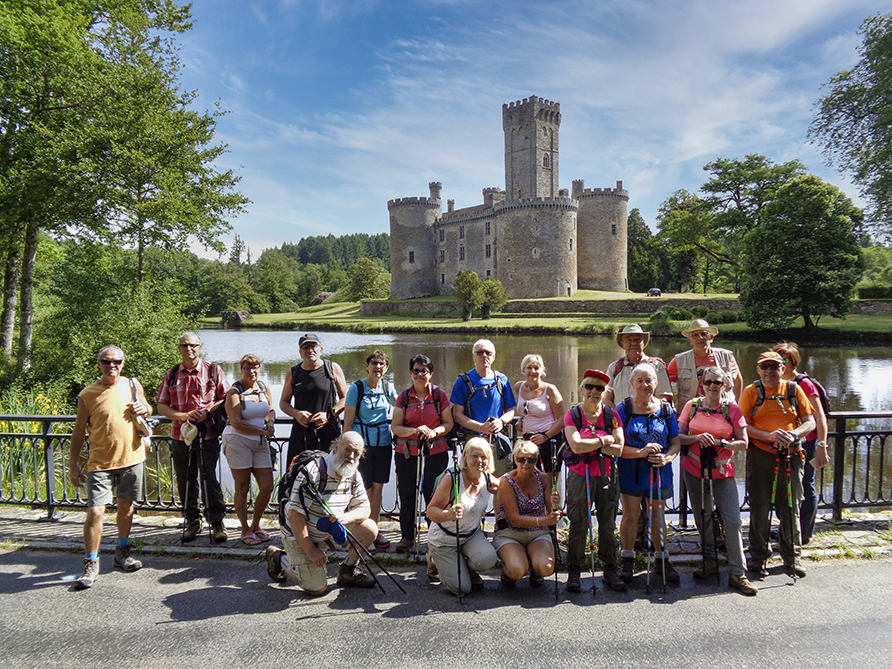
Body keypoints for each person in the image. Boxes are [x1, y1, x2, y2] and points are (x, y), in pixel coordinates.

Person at [67, 346, 151, 588]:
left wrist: (144, 408)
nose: (111, 365)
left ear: (123, 363)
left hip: (133, 458)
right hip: (100, 463)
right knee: (95, 512)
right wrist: (74, 465)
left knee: (126, 507)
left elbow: (148, 407)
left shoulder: (132, 384)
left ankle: (122, 552)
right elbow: (79, 431)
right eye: (106, 361)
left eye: (116, 361)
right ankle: (91, 563)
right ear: (99, 364)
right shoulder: (87, 395)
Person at [677, 366, 758, 596]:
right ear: (702, 383)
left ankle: (737, 572)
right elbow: (678, 436)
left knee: (732, 521)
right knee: (702, 518)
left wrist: (723, 443)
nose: (713, 386)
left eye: (718, 383)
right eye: (709, 382)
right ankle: (710, 562)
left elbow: (743, 443)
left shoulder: (732, 409)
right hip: (694, 469)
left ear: (725, 385)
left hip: (723, 472)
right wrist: (696, 438)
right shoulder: (691, 406)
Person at [266, 431, 377, 595]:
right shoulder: (313, 472)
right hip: (299, 534)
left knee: (370, 529)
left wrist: (345, 518)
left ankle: (347, 571)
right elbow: (295, 516)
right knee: (317, 589)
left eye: (357, 453)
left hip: (327, 530)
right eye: (348, 450)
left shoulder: (353, 474)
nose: (351, 456)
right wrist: (311, 551)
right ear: (337, 446)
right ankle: (280, 557)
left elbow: (365, 509)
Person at [740, 351, 815, 578]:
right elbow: (743, 426)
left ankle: (792, 557)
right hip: (761, 454)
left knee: (790, 506)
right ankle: (758, 555)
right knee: (760, 507)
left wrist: (793, 435)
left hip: (791, 455)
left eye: (775, 367)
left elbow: (809, 422)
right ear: (758, 369)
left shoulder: (794, 390)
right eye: (766, 367)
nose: (770, 371)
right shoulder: (751, 391)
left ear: (783, 369)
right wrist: (769, 435)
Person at [157, 331, 230, 543]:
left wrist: (207, 412)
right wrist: (182, 416)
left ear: (200, 347)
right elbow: (161, 404)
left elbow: (226, 398)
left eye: (193, 345)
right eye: (184, 345)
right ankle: (192, 520)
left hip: (207, 435)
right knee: (185, 479)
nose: (189, 349)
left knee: (209, 478)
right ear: (179, 348)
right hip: (180, 436)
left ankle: (216, 522)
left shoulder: (213, 371)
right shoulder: (171, 374)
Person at [615, 363, 682, 584]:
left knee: (657, 516)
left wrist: (667, 458)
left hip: (659, 471)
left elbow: (675, 443)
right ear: (632, 383)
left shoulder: (665, 409)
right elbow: (617, 447)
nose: (645, 385)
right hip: (630, 470)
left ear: (656, 383)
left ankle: (662, 559)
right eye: (640, 381)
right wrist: (640, 452)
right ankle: (627, 559)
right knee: (631, 516)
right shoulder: (622, 409)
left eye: (649, 380)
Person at [561, 370, 626, 592]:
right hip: (580, 475)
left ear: (604, 392)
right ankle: (574, 570)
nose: (594, 392)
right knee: (578, 522)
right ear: (582, 389)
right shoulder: (573, 415)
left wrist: (593, 443)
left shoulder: (611, 416)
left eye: (599, 388)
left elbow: (619, 448)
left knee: (607, 524)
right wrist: (603, 440)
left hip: (607, 475)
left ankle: (610, 568)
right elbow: (576, 446)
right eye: (590, 387)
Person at [391, 354, 453, 577]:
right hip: (407, 452)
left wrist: (434, 431)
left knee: (434, 495)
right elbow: (396, 427)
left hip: (435, 451)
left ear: (431, 373)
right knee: (407, 493)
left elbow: (448, 423)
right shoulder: (403, 397)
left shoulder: (439, 395)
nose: (420, 374)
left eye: (424, 371)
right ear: (410, 373)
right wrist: (414, 432)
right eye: (416, 370)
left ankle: (433, 537)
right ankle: (407, 537)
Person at [772, 341, 829, 545]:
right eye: (776, 360)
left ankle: (803, 533)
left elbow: (819, 417)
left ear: (792, 362)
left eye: (783, 360)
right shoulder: (775, 383)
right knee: (784, 488)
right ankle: (786, 528)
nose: (779, 364)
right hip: (784, 443)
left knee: (805, 486)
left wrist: (822, 446)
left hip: (807, 443)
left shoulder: (804, 384)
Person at [426, 438, 500, 596]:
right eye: (475, 456)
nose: (479, 461)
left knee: (488, 559)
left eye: (484, 457)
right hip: (444, 539)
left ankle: (463, 564)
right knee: (462, 588)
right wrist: (448, 514)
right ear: (465, 457)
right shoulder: (452, 479)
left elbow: (506, 484)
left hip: (470, 535)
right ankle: (433, 559)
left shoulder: (487, 478)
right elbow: (430, 511)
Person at [343, 349, 397, 553]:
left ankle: (373, 529)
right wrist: (346, 449)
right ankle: (359, 531)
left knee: (377, 488)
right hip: (361, 447)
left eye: (381, 364)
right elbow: (347, 421)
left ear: (386, 367)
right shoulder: (357, 388)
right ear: (367, 366)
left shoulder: (387, 387)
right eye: (374, 363)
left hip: (383, 444)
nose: (377, 367)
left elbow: (401, 406)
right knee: (361, 490)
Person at [222, 354, 276, 546]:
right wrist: (261, 430)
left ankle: (256, 525)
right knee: (242, 487)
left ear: (259, 368)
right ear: (241, 369)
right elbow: (236, 423)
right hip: (238, 441)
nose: (251, 371)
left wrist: (270, 423)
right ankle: (244, 529)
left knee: (268, 486)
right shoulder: (234, 392)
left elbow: (270, 410)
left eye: (255, 367)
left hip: (260, 442)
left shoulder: (263, 387)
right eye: (247, 368)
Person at [493, 440, 562, 588]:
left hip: (537, 533)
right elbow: (515, 519)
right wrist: (545, 521)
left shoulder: (543, 478)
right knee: (517, 570)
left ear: (536, 460)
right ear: (514, 459)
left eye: (531, 459)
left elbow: (553, 512)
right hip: (510, 533)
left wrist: (557, 507)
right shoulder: (506, 481)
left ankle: (535, 565)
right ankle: (509, 571)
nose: (526, 463)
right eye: (521, 459)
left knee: (546, 568)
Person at [279, 333, 348, 467]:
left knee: (331, 473)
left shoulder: (332, 369)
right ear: (300, 352)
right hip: (301, 433)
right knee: (297, 473)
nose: (309, 350)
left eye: (313, 346)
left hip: (329, 432)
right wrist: (297, 414)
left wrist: (329, 415)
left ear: (320, 349)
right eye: (305, 347)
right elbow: (283, 402)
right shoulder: (293, 373)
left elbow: (346, 399)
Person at [450, 339, 516, 466]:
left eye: (488, 353)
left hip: (497, 441)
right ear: (473, 356)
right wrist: (480, 427)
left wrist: (501, 422)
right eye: (479, 352)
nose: (484, 356)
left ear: (494, 357)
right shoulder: (463, 381)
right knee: (473, 481)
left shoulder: (502, 380)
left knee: (498, 482)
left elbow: (510, 410)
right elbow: (458, 415)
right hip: (472, 440)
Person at [668, 319, 743, 413]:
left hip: (724, 412)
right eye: (695, 335)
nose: (700, 338)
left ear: (711, 338)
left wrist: (735, 404)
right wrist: (672, 407)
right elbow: (666, 386)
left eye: (704, 334)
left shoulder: (727, 357)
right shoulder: (678, 360)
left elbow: (738, 381)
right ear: (690, 340)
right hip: (690, 414)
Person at [514, 354, 565, 473]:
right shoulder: (519, 387)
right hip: (528, 440)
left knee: (548, 481)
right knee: (527, 479)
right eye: (529, 368)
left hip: (549, 439)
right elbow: (525, 409)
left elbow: (562, 418)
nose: (533, 371)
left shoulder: (550, 389)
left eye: (536, 368)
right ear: (523, 370)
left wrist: (545, 436)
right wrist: (520, 419)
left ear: (541, 371)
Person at [604, 324, 672, 407]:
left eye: (637, 340)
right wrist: (619, 415)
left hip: (649, 418)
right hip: (620, 418)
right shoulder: (614, 368)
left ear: (643, 342)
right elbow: (605, 398)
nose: (633, 343)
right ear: (623, 344)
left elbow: (663, 398)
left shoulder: (657, 366)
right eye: (629, 340)